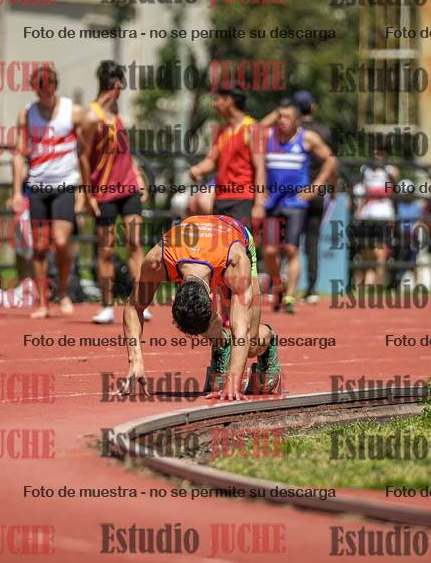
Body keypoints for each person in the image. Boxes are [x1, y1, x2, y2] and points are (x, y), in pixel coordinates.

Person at [121, 215, 281, 401]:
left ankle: (268, 338)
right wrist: (135, 360)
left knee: (251, 345)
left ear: (212, 299)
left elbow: (241, 330)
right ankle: (222, 343)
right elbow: (133, 307)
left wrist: (233, 383)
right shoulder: (157, 260)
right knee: (192, 316)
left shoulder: (236, 262)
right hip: (200, 242)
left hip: (233, 236)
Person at [9, 65, 84, 318]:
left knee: (61, 241)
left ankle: (63, 293)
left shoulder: (72, 111)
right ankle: (42, 302)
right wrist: (16, 192)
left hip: (65, 184)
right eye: (39, 90)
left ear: (55, 86)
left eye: (48, 89)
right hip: (38, 185)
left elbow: (85, 152)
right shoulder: (26, 115)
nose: (44, 94)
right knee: (40, 247)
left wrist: (84, 190)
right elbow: (19, 154)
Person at [79, 60, 150, 324]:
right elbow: (83, 157)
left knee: (135, 242)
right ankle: (107, 305)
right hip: (104, 192)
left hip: (128, 187)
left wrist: (138, 175)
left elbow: (124, 150)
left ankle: (141, 300)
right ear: (117, 85)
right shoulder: (91, 116)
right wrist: (87, 195)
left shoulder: (117, 112)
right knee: (106, 249)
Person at [262, 101, 336, 314]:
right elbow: (253, 130)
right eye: (279, 117)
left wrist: (316, 186)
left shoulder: (307, 138)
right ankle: (278, 284)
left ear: (297, 120)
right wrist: (274, 112)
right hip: (272, 202)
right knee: (269, 250)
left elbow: (331, 160)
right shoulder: (268, 137)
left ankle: (289, 296)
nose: (282, 121)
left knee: (291, 249)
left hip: (295, 203)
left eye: (286, 117)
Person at [189, 88, 267, 228]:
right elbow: (211, 160)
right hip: (220, 199)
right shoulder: (222, 131)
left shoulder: (252, 129)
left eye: (217, 100)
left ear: (228, 101)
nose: (214, 104)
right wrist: (198, 169)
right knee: (220, 241)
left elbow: (260, 167)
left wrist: (259, 205)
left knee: (240, 241)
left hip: (242, 199)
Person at [293, 91, 336, 303]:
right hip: (316, 193)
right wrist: (333, 189)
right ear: (313, 107)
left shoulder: (292, 131)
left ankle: (283, 287)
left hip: (292, 193)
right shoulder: (323, 131)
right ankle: (311, 289)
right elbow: (332, 162)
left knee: (289, 241)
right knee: (312, 241)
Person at [351, 146, 399, 289]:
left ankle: (378, 284)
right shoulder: (365, 170)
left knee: (380, 252)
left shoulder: (391, 170)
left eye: (380, 154)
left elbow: (394, 190)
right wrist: (359, 211)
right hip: (367, 215)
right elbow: (361, 191)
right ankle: (365, 282)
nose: (377, 157)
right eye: (375, 154)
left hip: (384, 215)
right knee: (366, 251)